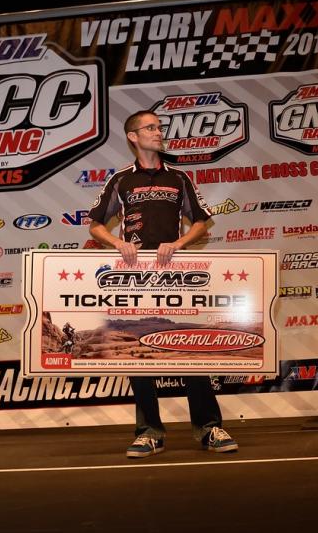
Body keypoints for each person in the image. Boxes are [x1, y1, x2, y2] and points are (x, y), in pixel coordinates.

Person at [87, 109, 238, 458]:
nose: (158, 132)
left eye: (159, 127)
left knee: (189, 347)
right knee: (138, 353)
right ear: (133, 137)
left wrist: (180, 243)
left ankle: (209, 427)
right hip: (134, 276)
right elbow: (95, 224)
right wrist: (119, 243)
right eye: (151, 127)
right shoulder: (121, 180)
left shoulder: (179, 178)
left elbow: (201, 221)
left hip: (176, 274)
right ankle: (148, 432)